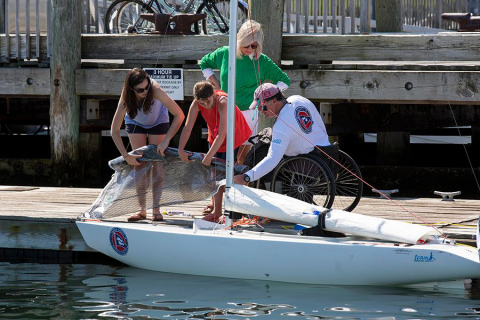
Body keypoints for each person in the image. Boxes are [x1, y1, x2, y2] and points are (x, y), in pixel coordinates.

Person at [199, 20, 290, 164]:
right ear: (239, 40)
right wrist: (215, 82)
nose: (249, 48)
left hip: (248, 114)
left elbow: (284, 81)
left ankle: (239, 184)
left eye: (253, 45)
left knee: (241, 159)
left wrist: (266, 95)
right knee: (221, 153)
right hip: (224, 110)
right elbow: (204, 62)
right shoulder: (225, 53)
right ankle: (221, 185)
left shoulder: (262, 61)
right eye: (245, 45)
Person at [111, 68, 185, 222]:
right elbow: (114, 131)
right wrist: (126, 156)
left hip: (158, 121)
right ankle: (141, 210)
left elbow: (179, 115)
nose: (145, 91)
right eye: (140, 90)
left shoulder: (155, 89)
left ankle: (156, 209)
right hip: (135, 121)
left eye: (146, 88)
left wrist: (166, 141)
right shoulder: (126, 98)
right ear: (131, 89)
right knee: (139, 164)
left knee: (157, 164)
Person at [177, 81, 251, 221]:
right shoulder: (197, 103)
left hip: (235, 137)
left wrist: (209, 156)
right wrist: (181, 150)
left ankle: (235, 212)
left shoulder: (223, 102)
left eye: (208, 102)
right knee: (214, 175)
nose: (205, 105)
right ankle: (217, 212)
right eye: (202, 103)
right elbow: (187, 128)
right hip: (215, 137)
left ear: (213, 94)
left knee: (232, 174)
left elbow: (223, 134)